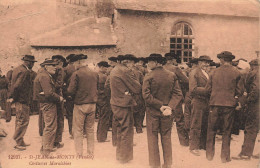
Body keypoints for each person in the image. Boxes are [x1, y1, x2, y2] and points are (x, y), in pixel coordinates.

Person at [143, 53, 183, 168]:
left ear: (156, 62)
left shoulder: (149, 76)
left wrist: (160, 106)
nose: (148, 64)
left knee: (152, 139)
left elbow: (146, 95)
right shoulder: (171, 75)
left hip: (153, 113)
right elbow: (178, 93)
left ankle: (155, 165)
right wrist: (169, 106)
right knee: (166, 138)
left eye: (150, 61)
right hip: (167, 113)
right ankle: (168, 164)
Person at [204, 51, 243, 163]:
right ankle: (224, 157)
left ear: (221, 60)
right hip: (229, 105)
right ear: (230, 60)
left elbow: (207, 89)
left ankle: (209, 156)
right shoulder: (237, 72)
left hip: (214, 104)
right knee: (227, 131)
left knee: (211, 130)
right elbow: (240, 91)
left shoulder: (213, 72)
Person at [109, 54, 141, 163]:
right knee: (126, 130)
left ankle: (120, 155)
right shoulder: (125, 71)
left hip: (116, 102)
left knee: (120, 129)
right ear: (127, 62)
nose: (133, 66)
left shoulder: (115, 69)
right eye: (132, 63)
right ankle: (124, 158)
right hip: (124, 104)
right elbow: (137, 88)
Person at [67, 54, 98, 157]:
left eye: (75, 63)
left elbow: (71, 91)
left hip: (80, 105)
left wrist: (69, 95)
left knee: (78, 130)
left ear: (79, 62)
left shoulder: (76, 74)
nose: (74, 65)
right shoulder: (94, 73)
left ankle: (79, 153)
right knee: (90, 129)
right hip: (92, 104)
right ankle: (90, 153)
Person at [33, 59, 63, 155]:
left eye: (56, 65)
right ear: (46, 66)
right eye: (53, 65)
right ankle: (46, 151)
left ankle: (45, 148)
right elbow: (49, 93)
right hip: (48, 104)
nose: (55, 67)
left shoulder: (45, 75)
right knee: (50, 127)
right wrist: (59, 98)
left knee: (49, 126)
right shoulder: (45, 76)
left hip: (47, 103)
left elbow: (47, 92)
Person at [8, 55, 37, 151]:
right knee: (23, 121)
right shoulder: (25, 71)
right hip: (22, 100)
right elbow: (17, 86)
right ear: (27, 62)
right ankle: (17, 141)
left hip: (19, 99)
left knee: (19, 120)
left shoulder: (17, 69)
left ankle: (20, 141)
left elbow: (13, 84)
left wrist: (12, 97)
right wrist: (14, 98)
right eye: (32, 62)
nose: (33, 64)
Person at [233, 59, 259, 160]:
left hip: (255, 106)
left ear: (252, 66)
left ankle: (245, 154)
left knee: (250, 129)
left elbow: (256, 90)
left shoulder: (255, 74)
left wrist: (248, 100)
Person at [163, 52, 189, 146]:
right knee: (179, 120)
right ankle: (184, 142)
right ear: (172, 60)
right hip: (175, 98)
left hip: (163, 98)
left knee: (165, 120)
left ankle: (165, 141)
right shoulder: (175, 69)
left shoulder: (161, 68)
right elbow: (186, 80)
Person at [188, 55, 212, 156]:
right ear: (199, 63)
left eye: (208, 62)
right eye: (204, 62)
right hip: (198, 101)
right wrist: (208, 90)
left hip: (206, 101)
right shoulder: (194, 72)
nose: (206, 64)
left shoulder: (207, 73)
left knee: (205, 123)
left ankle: (202, 145)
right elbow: (193, 89)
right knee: (196, 123)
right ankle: (193, 146)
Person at [63, 54, 76, 138]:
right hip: (78, 94)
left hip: (69, 94)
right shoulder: (78, 68)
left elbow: (62, 83)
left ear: (68, 60)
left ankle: (72, 132)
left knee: (70, 114)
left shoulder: (66, 69)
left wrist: (65, 94)